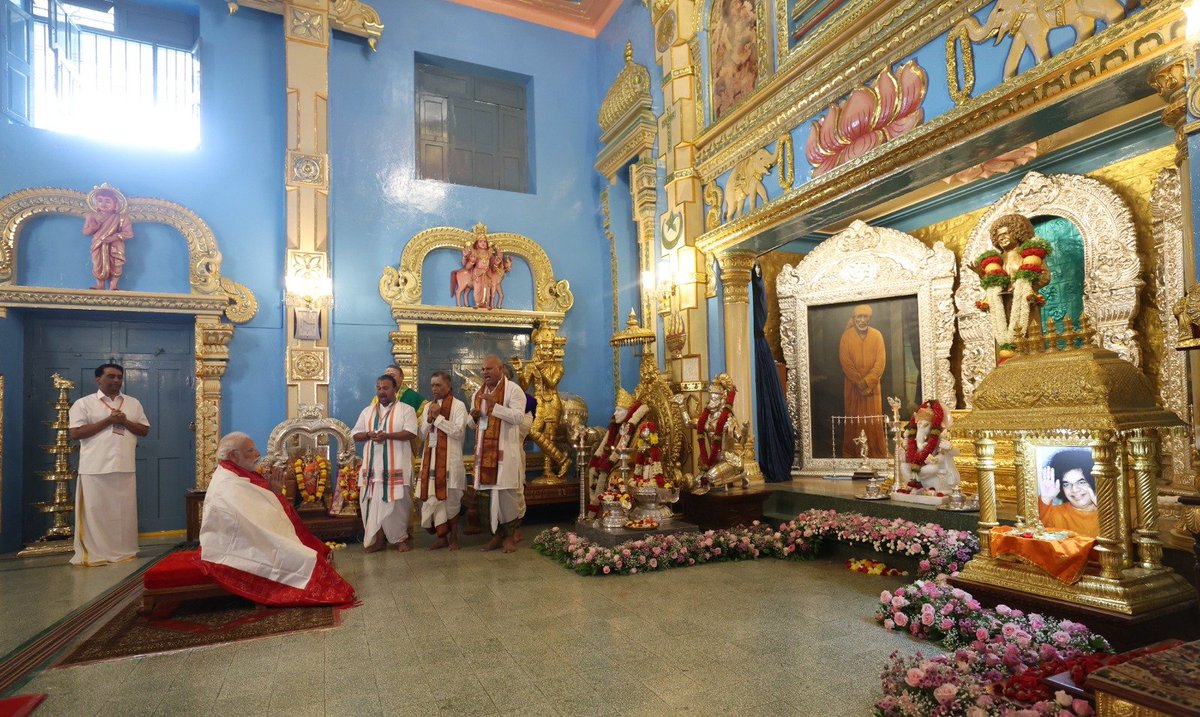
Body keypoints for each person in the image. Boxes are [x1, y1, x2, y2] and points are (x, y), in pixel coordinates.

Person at [198, 433, 355, 606]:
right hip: (238, 544)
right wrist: (275, 493)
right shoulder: (228, 483)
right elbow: (256, 520)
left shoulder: (235, 473)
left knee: (306, 553)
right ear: (234, 455)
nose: (257, 453)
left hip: (251, 535)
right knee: (304, 560)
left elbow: (261, 510)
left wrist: (274, 492)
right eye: (250, 450)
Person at [68, 363, 150, 566]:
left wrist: (124, 421)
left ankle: (123, 551)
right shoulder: (83, 403)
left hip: (124, 465)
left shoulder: (132, 403)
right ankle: (96, 552)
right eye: (111, 377)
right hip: (95, 467)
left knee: (123, 512)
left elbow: (143, 430)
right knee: (96, 512)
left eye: (119, 377)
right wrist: (108, 420)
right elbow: (76, 433)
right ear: (98, 379)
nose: (116, 381)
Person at [471, 355, 531, 553]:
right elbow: (473, 425)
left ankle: (510, 538)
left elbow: (517, 417)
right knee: (487, 497)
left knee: (507, 497)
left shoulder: (514, 390)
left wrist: (494, 406)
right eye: (483, 369)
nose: (485, 372)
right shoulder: (478, 393)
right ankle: (495, 537)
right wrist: (475, 417)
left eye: (489, 368)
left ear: (500, 369)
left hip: (505, 453)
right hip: (485, 454)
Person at [352, 374, 418, 553]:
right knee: (373, 502)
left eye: (386, 388)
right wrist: (368, 435)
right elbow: (355, 434)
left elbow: (411, 432)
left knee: (399, 504)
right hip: (373, 469)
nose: (382, 392)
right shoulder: (367, 411)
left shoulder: (406, 410)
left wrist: (387, 435)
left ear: (395, 390)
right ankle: (379, 540)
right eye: (379, 388)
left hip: (397, 466)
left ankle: (400, 539)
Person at [417, 371, 468, 550]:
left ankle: (454, 537)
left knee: (452, 501)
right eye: (432, 385)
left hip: (450, 462)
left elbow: (459, 432)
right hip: (431, 462)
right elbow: (422, 435)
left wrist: (438, 418)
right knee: (434, 500)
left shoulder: (458, 406)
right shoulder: (427, 407)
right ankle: (441, 537)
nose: (434, 389)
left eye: (438, 385)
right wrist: (429, 419)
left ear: (448, 386)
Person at [838, 304, 887, 458]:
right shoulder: (846, 336)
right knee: (854, 418)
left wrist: (867, 382)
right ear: (854, 318)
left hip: (873, 388)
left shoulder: (877, 335)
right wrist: (858, 382)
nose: (862, 320)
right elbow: (845, 362)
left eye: (865, 317)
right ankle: (853, 454)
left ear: (869, 318)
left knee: (873, 420)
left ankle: (875, 453)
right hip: (852, 387)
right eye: (859, 317)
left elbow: (881, 361)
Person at [82, 185, 133, 291]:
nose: (103, 204)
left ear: (116, 205)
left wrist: (115, 237)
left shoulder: (121, 218)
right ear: (96, 202)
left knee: (116, 264)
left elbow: (128, 233)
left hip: (115, 245)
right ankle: (100, 285)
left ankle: (113, 285)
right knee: (97, 264)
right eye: (100, 200)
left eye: (108, 201)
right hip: (98, 243)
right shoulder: (91, 216)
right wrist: (92, 228)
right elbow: (85, 232)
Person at [1038, 449, 1099, 537]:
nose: (1074, 489)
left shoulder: (1113, 512)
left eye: (1081, 482)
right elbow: (1037, 536)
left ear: (1094, 481)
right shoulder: (1056, 515)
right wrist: (1046, 498)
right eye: (1066, 484)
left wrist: (1104, 509)